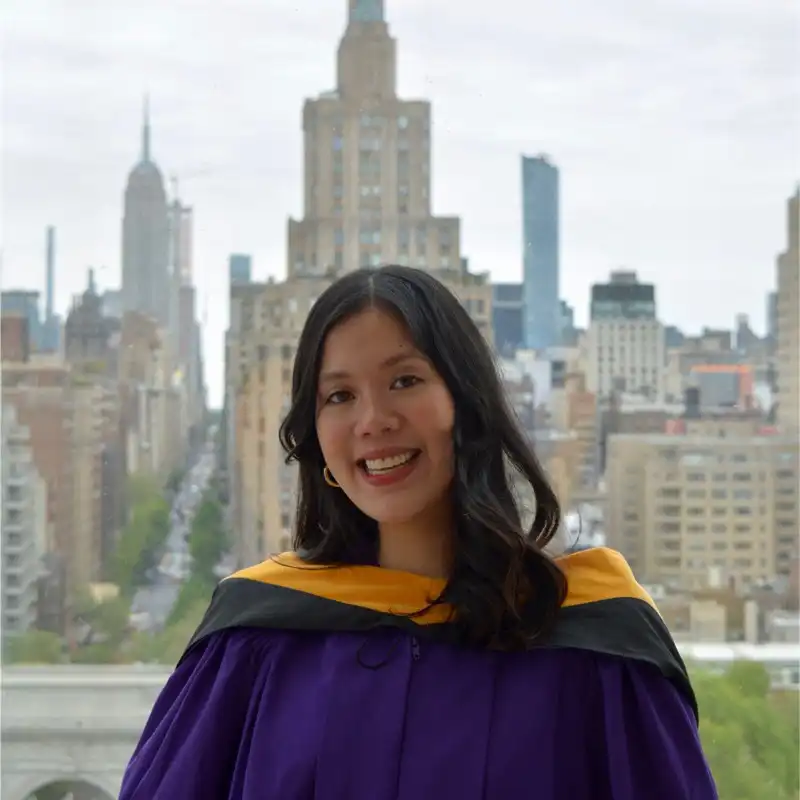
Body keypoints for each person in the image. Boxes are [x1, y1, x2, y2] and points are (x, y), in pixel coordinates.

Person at [120, 265, 718, 799]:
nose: (373, 420)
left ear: (466, 401)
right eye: (339, 395)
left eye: (404, 381)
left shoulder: (597, 647)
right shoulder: (252, 643)